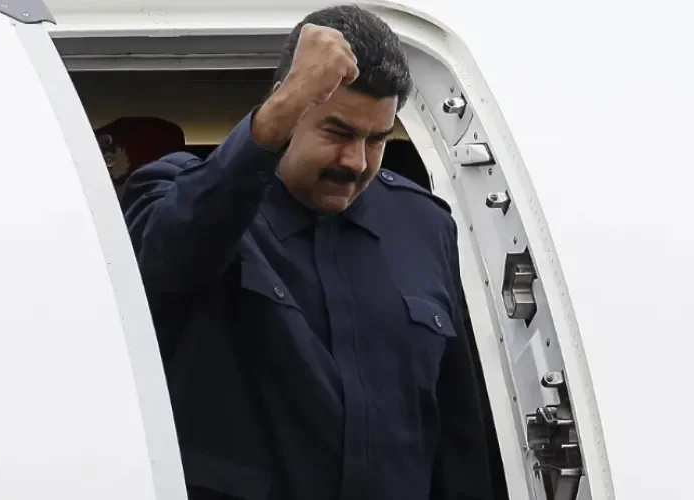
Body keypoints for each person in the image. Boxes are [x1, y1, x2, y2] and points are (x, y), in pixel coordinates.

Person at [122, 5, 494, 500]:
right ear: (286, 108)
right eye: (338, 133)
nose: (355, 161)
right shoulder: (182, 195)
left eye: (376, 140)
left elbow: (457, 427)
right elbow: (171, 257)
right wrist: (273, 119)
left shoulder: (423, 225)